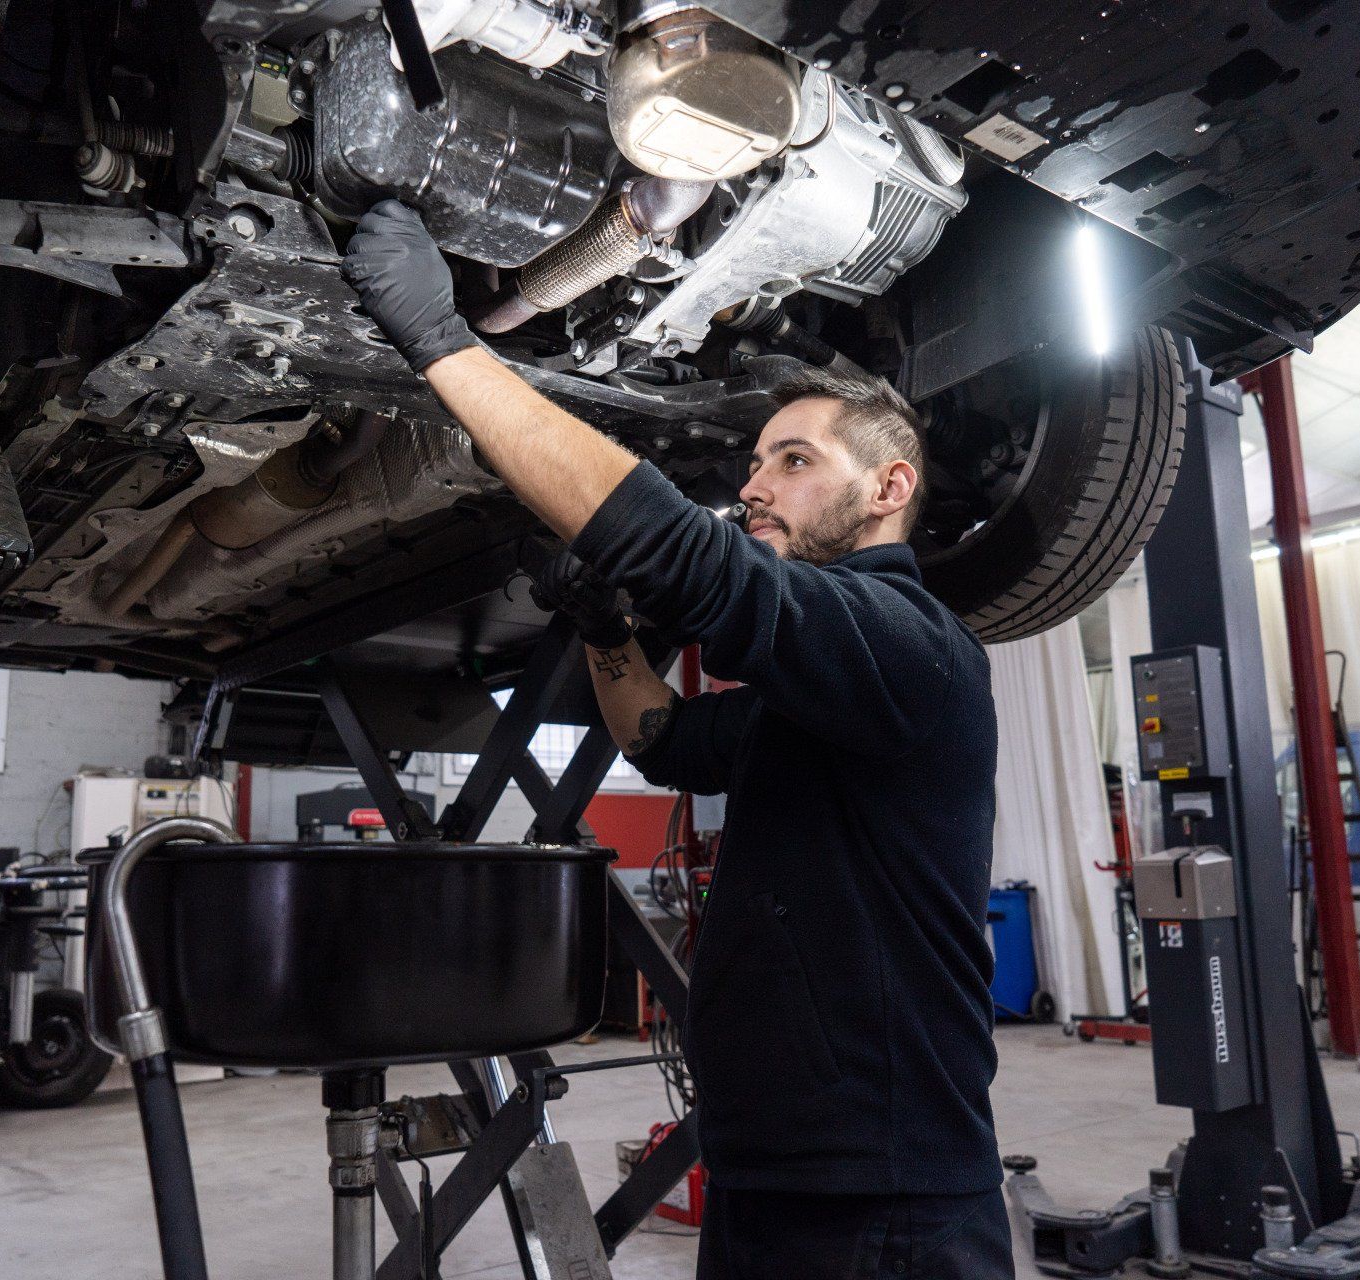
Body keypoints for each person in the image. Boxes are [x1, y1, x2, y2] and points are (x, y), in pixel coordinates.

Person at [343, 200, 1008, 1280]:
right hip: (766, 1177)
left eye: (792, 460)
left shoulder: (911, 647)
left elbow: (691, 560)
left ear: (889, 489)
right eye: (755, 460)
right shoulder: (821, 701)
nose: (752, 485)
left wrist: (444, 346)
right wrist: (607, 632)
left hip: (886, 1207)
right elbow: (663, 736)